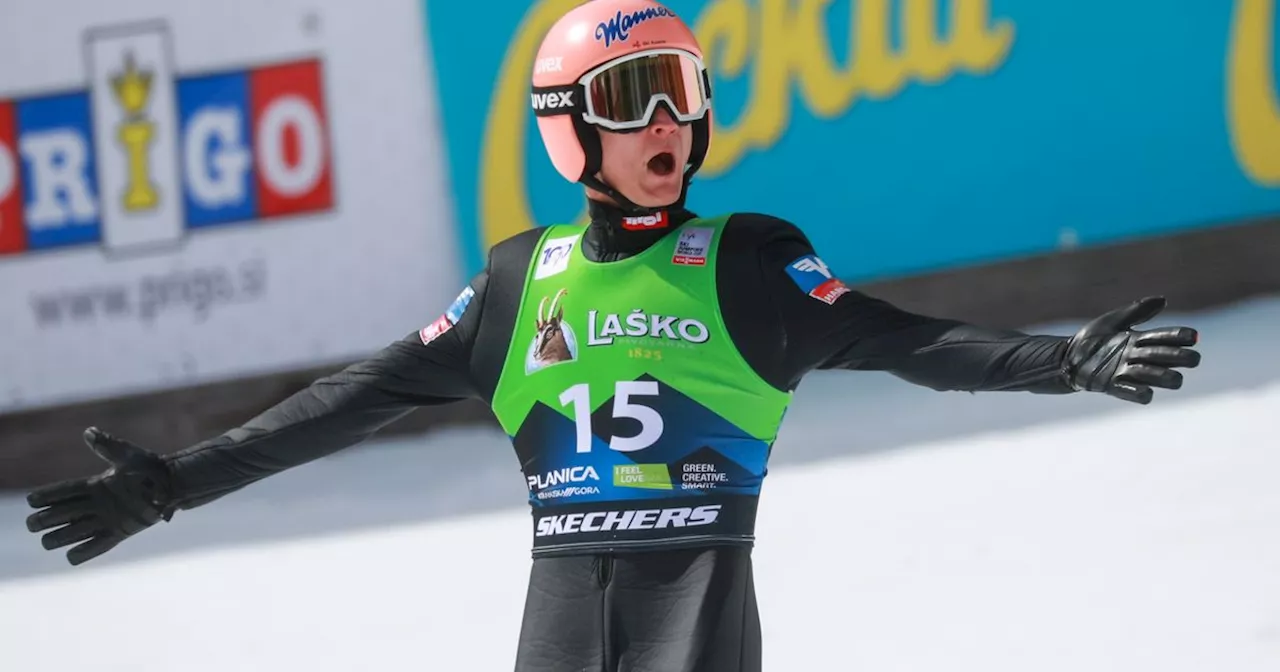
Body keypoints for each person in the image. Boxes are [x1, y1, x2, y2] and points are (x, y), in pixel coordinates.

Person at [24, 1, 1202, 670]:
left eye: (681, 92)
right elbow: (355, 397)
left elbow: (899, 339)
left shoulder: (745, 261)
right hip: (557, 627)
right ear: (565, 128)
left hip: (694, 621)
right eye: (634, 96)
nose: (669, 123)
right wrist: (174, 483)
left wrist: (1060, 363)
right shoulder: (514, 281)